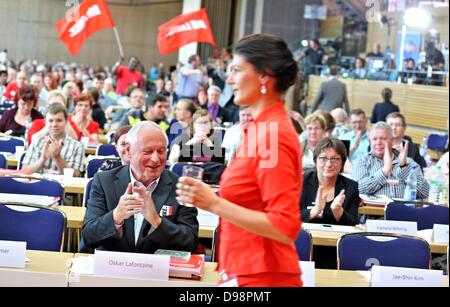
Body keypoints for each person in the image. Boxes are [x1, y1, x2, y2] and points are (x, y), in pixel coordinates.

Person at [176, 33, 303, 287]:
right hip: (244, 271)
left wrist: (213, 203)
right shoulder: (260, 128)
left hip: (263, 276)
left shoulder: (272, 134)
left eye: (236, 70)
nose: (230, 79)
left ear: (264, 76)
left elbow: (284, 224)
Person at [81, 121, 199, 253]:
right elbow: (88, 237)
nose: (155, 159)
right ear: (128, 150)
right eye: (147, 152)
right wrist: (116, 216)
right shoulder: (104, 181)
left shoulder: (181, 188)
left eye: (161, 151)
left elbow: (190, 242)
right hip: (112, 268)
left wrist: (156, 222)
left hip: (159, 270)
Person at [352, 122, 429, 199]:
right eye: (374, 139)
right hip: (373, 210)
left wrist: (404, 166)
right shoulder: (361, 161)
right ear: (370, 141)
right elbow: (357, 189)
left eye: (383, 139)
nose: (378, 142)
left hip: (403, 209)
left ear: (392, 140)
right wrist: (384, 172)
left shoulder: (408, 162)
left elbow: (425, 192)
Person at [301, 138, 359, 225]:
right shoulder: (301, 182)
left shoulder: (351, 187)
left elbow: (353, 224)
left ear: (342, 163)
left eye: (335, 159)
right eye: (323, 158)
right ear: (315, 160)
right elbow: (288, 217)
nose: (328, 164)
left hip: (336, 238)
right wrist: (315, 210)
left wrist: (338, 211)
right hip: (305, 237)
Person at [22, 103, 85, 176]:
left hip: (65, 186)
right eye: (50, 121)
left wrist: (57, 157)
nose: (54, 124)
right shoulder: (37, 141)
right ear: (45, 122)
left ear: (66, 122)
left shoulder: (77, 146)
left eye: (59, 120)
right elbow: (24, 170)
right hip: (38, 185)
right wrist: (42, 159)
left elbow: (76, 175)